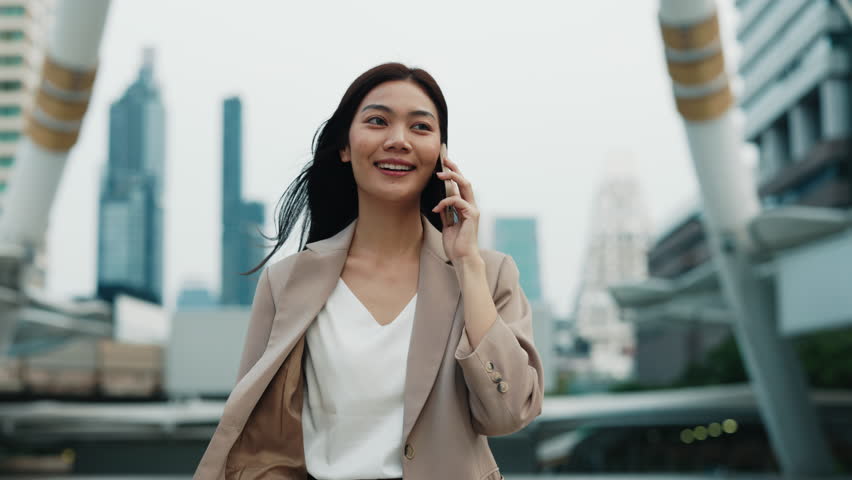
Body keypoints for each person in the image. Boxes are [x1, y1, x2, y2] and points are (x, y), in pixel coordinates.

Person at [194, 62, 544, 480]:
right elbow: (262, 439)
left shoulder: (489, 274)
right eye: (378, 121)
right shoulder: (286, 283)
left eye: (420, 127)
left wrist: (466, 263)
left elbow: (510, 412)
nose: (398, 140)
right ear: (345, 146)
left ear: (441, 154)